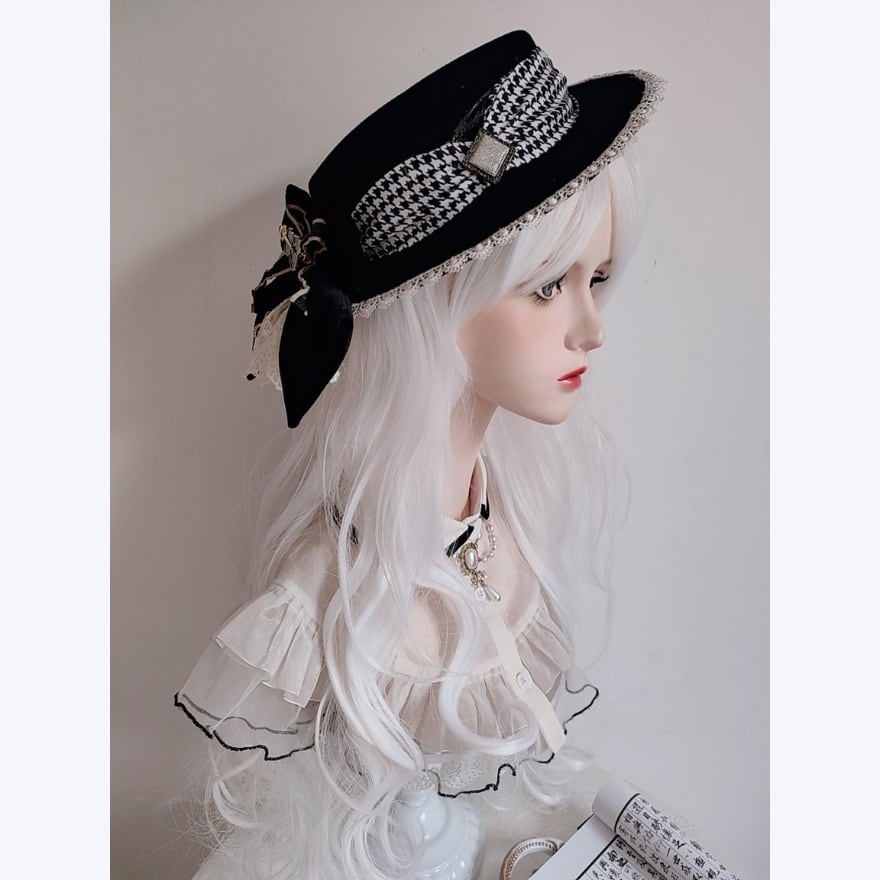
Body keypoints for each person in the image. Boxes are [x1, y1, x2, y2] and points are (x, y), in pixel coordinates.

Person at [175, 30, 664, 880]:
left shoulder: (502, 511)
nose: (592, 328)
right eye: (549, 287)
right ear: (440, 303)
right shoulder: (326, 594)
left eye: (597, 280)